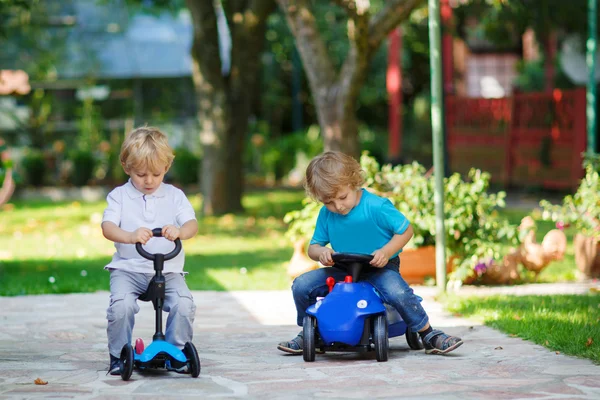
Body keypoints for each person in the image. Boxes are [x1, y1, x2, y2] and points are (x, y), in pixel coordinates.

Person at [277, 151, 463, 355]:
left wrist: (386, 251)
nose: (337, 206)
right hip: (343, 270)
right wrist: (322, 252)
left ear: (354, 182)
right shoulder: (327, 214)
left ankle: (428, 333)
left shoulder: (376, 206)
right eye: (328, 202)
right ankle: (308, 332)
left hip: (380, 268)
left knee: (398, 292)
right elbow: (313, 247)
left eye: (342, 197)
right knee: (301, 285)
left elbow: (405, 230)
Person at [101, 126, 199, 375]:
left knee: (184, 304)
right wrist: (130, 236)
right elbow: (108, 226)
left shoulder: (174, 196)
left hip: (168, 271)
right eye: (141, 174)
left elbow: (191, 224)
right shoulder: (119, 196)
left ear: (166, 168)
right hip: (128, 269)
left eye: (156, 174)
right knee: (121, 306)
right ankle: (118, 354)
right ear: (127, 168)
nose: (149, 181)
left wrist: (179, 233)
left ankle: (175, 352)